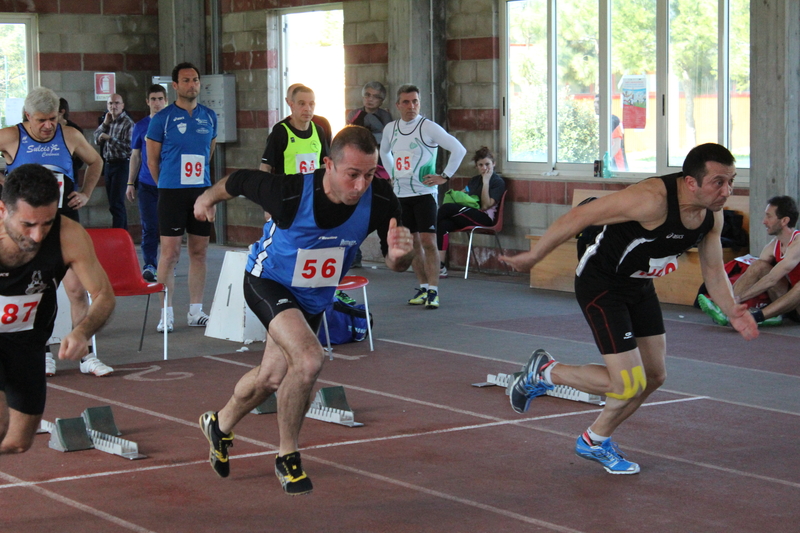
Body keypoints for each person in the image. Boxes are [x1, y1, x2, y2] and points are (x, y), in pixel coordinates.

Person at [500, 143, 758, 475]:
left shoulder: (711, 212)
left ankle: (595, 439)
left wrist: (733, 309)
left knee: (653, 376)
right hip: (602, 285)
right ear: (691, 182)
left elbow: (713, 269)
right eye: (719, 182)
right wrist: (535, 257)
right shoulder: (652, 198)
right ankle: (544, 372)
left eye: (731, 181)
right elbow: (580, 215)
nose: (727, 191)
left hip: (638, 286)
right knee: (626, 383)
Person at [193, 125, 414, 495]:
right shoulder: (291, 192)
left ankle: (219, 424)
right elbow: (240, 181)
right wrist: (206, 199)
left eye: (369, 174)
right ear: (328, 165)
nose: (360, 185)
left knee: (271, 377)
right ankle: (287, 455)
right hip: (269, 281)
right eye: (352, 174)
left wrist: (397, 257)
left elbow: (398, 263)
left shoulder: (381, 198)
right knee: (309, 359)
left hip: (313, 297)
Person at [0, 164, 115, 455]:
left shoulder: (68, 235)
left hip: (27, 344)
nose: (38, 235)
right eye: (28, 225)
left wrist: (82, 331)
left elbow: (103, 294)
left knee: (17, 442)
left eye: (47, 223)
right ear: (3, 210)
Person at [0, 87, 112, 378]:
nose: (48, 125)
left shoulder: (69, 136)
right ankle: (43, 353)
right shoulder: (12, 136)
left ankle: (85, 353)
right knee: (31, 292)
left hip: (63, 222)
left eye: (53, 118)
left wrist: (86, 192)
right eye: (41, 120)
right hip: (25, 228)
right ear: (27, 117)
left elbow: (96, 160)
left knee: (77, 290)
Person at [380, 84, 466, 309]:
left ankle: (434, 291)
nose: (411, 106)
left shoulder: (428, 127)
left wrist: (444, 176)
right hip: (402, 195)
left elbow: (458, 149)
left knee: (428, 241)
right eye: (406, 102)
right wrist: (392, 175)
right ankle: (422, 287)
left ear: (420, 103)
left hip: (425, 193)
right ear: (398, 105)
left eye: (415, 102)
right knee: (412, 243)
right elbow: (384, 151)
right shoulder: (391, 128)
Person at [146, 62, 217, 333]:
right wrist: (165, 185)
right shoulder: (161, 119)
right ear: (174, 86)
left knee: (199, 251)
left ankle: (196, 311)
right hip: (171, 193)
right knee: (170, 253)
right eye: (186, 81)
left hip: (201, 192)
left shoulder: (209, 117)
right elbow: (153, 161)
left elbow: (208, 153)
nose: (192, 85)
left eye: (196, 80)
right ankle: (166, 313)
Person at [698, 195, 800, 326]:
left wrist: (741, 297)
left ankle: (755, 317)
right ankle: (726, 308)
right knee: (759, 265)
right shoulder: (773, 246)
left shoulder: (797, 243)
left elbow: (771, 279)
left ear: (784, 220)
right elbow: (756, 273)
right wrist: (732, 298)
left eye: (769, 216)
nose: (764, 221)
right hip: (788, 302)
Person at [436, 146, 505, 278]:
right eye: (481, 165)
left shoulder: (497, 182)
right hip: (468, 214)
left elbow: (485, 206)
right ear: (476, 166)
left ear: (493, 164)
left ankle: (425, 238)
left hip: (485, 218)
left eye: (487, 164)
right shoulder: (474, 180)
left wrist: (486, 183)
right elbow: (462, 195)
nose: (484, 168)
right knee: (443, 224)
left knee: (446, 209)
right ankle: (440, 265)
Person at [346, 81, 393, 268]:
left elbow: (389, 138)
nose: (370, 99)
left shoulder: (385, 116)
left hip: (381, 170)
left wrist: (374, 135)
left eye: (375, 96)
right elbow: (356, 137)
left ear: (381, 100)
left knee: (383, 212)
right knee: (354, 211)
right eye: (367, 95)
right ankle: (354, 254)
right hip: (359, 168)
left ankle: (389, 252)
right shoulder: (354, 114)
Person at [127, 85, 167, 282]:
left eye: (160, 98)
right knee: (149, 226)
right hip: (147, 184)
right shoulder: (141, 126)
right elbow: (135, 156)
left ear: (166, 101)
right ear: (147, 102)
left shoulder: (172, 124)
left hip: (169, 185)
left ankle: (168, 263)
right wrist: (130, 182)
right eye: (153, 99)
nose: (157, 103)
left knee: (168, 226)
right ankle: (149, 264)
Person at [259, 84, 329, 175]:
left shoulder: (319, 131)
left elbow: (324, 164)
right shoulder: (281, 132)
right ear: (292, 105)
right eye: (302, 103)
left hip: (312, 188)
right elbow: (265, 167)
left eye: (311, 104)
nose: (307, 109)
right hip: (287, 188)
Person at [94, 93, 134, 230]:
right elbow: (95, 138)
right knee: (112, 204)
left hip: (122, 165)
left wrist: (109, 138)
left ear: (122, 106)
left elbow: (129, 148)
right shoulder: (107, 121)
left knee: (117, 204)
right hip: (108, 164)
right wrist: (105, 124)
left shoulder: (128, 123)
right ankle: (122, 233)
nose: (113, 106)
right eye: (110, 103)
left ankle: (119, 235)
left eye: (117, 103)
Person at [595, 94, 628, 172]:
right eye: (595, 102)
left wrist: (605, 163)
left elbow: (616, 146)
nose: (595, 105)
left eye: (598, 102)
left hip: (616, 167)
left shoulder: (614, 120)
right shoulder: (598, 121)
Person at [58, 98, 85, 175]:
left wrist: (72, 168)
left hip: (69, 172)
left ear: (62, 112)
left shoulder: (75, 130)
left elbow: (81, 157)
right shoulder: (49, 128)